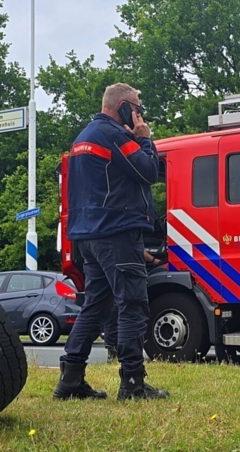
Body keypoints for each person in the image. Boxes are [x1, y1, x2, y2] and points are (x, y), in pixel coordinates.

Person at [54, 83, 170, 401]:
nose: (139, 114)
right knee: (132, 304)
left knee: (96, 305)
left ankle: (70, 380)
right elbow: (147, 172)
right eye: (136, 108)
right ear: (121, 107)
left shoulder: (83, 138)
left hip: (88, 236)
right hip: (116, 231)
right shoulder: (115, 136)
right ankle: (132, 383)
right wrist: (144, 137)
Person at [104, 249, 164, 362]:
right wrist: (154, 260)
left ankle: (112, 351)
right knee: (125, 312)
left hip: (110, 270)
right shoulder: (127, 236)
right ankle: (124, 353)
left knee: (113, 312)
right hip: (122, 272)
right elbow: (138, 249)